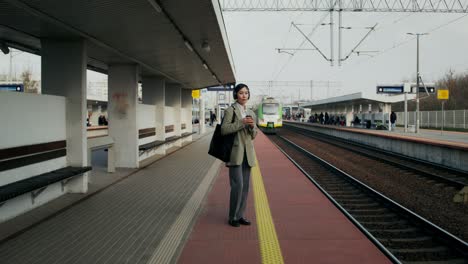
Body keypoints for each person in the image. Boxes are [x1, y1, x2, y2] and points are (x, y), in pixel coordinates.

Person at [221, 83, 257, 228]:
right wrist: (241, 123)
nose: (244, 95)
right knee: (238, 185)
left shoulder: (251, 112)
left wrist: (252, 127)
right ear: (236, 94)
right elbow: (224, 129)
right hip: (235, 153)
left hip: (248, 154)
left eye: (246, 93)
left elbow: (253, 135)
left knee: (246, 186)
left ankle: (240, 215)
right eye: (241, 93)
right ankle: (232, 217)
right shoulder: (230, 110)